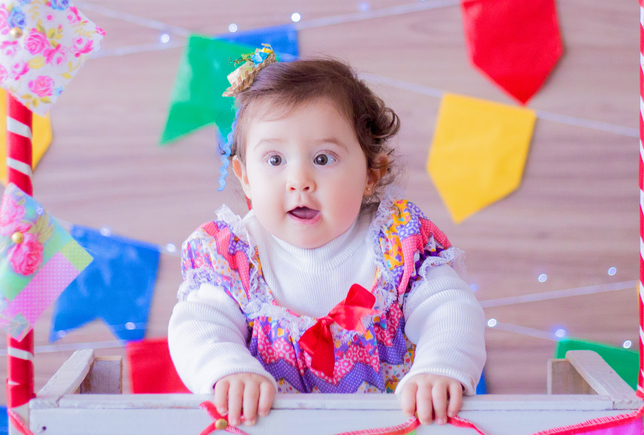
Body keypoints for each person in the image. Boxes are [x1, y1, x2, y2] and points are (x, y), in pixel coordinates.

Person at [169, 52, 485, 427]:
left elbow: (448, 308)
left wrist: (440, 366)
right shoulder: (235, 255)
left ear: (371, 172)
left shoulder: (396, 243)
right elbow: (199, 323)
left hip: (392, 428)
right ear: (245, 176)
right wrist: (227, 370)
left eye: (323, 159)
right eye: (274, 160)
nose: (299, 180)